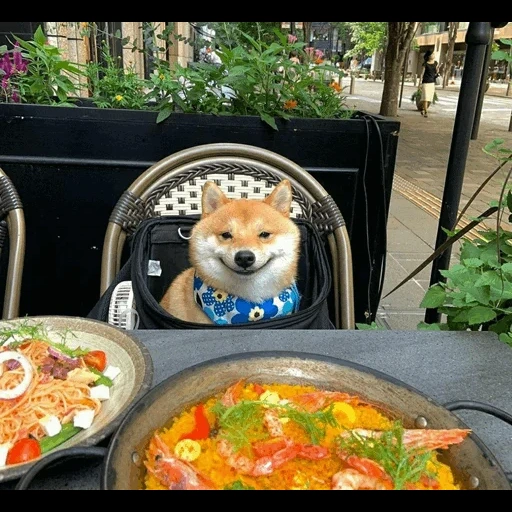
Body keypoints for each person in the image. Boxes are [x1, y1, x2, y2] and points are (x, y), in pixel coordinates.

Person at [419, 50, 439, 118]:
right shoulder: (425, 64)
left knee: (429, 98)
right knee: (426, 98)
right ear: (429, 56)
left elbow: (436, 73)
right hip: (425, 82)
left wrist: (437, 71)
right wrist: (420, 83)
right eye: (432, 54)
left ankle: (423, 109)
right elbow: (422, 74)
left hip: (432, 82)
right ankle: (426, 112)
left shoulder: (435, 63)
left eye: (433, 54)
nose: (433, 55)